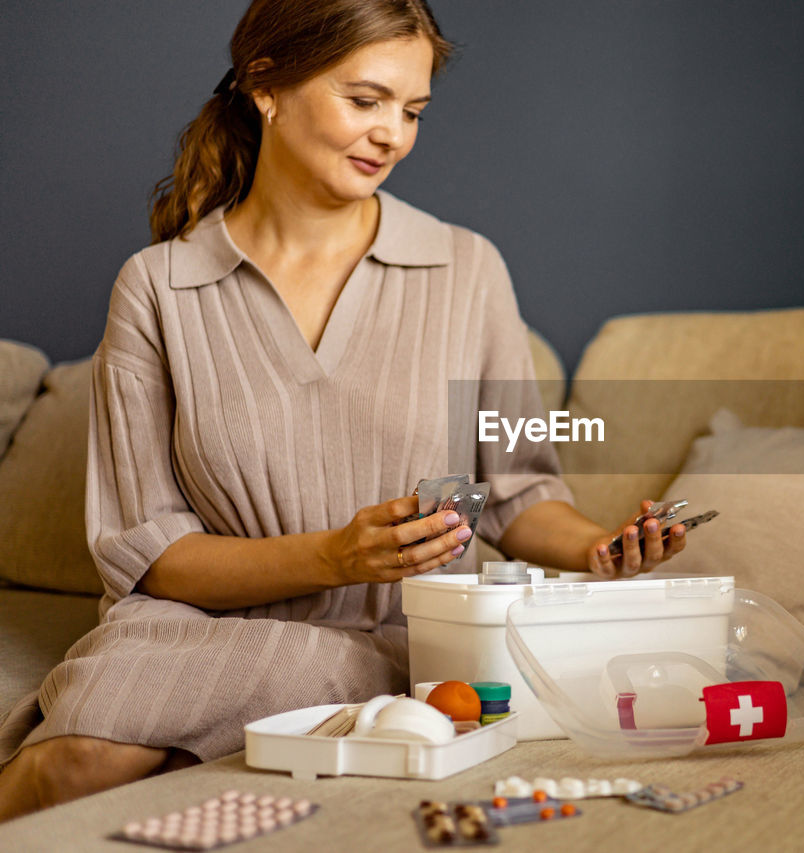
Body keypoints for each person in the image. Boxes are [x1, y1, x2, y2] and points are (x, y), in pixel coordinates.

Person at [0, 0, 686, 821]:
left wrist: (599, 548)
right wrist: (335, 555)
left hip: (392, 638)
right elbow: (148, 553)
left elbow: (518, 491)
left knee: (121, 761)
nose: (393, 134)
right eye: (365, 101)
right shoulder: (159, 287)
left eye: (413, 110)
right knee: (74, 760)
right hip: (187, 624)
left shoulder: (465, 269)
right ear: (266, 84)